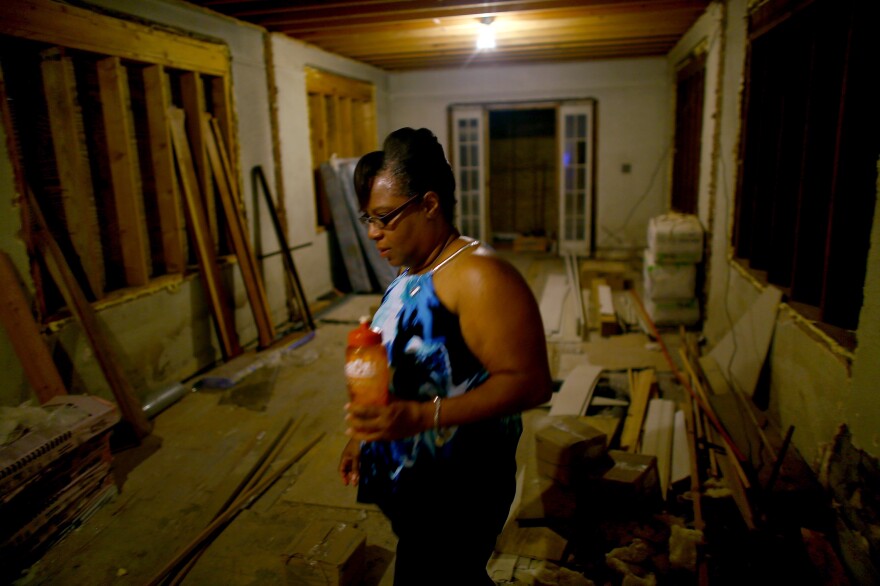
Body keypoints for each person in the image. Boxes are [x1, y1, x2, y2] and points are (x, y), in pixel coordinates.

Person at [338, 127, 553, 585]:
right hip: (418, 484)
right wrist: (364, 438)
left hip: (461, 489)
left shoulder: (479, 276)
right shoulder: (411, 271)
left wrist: (422, 416)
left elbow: (529, 382)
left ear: (430, 204)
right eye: (367, 219)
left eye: (384, 217)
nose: (374, 232)